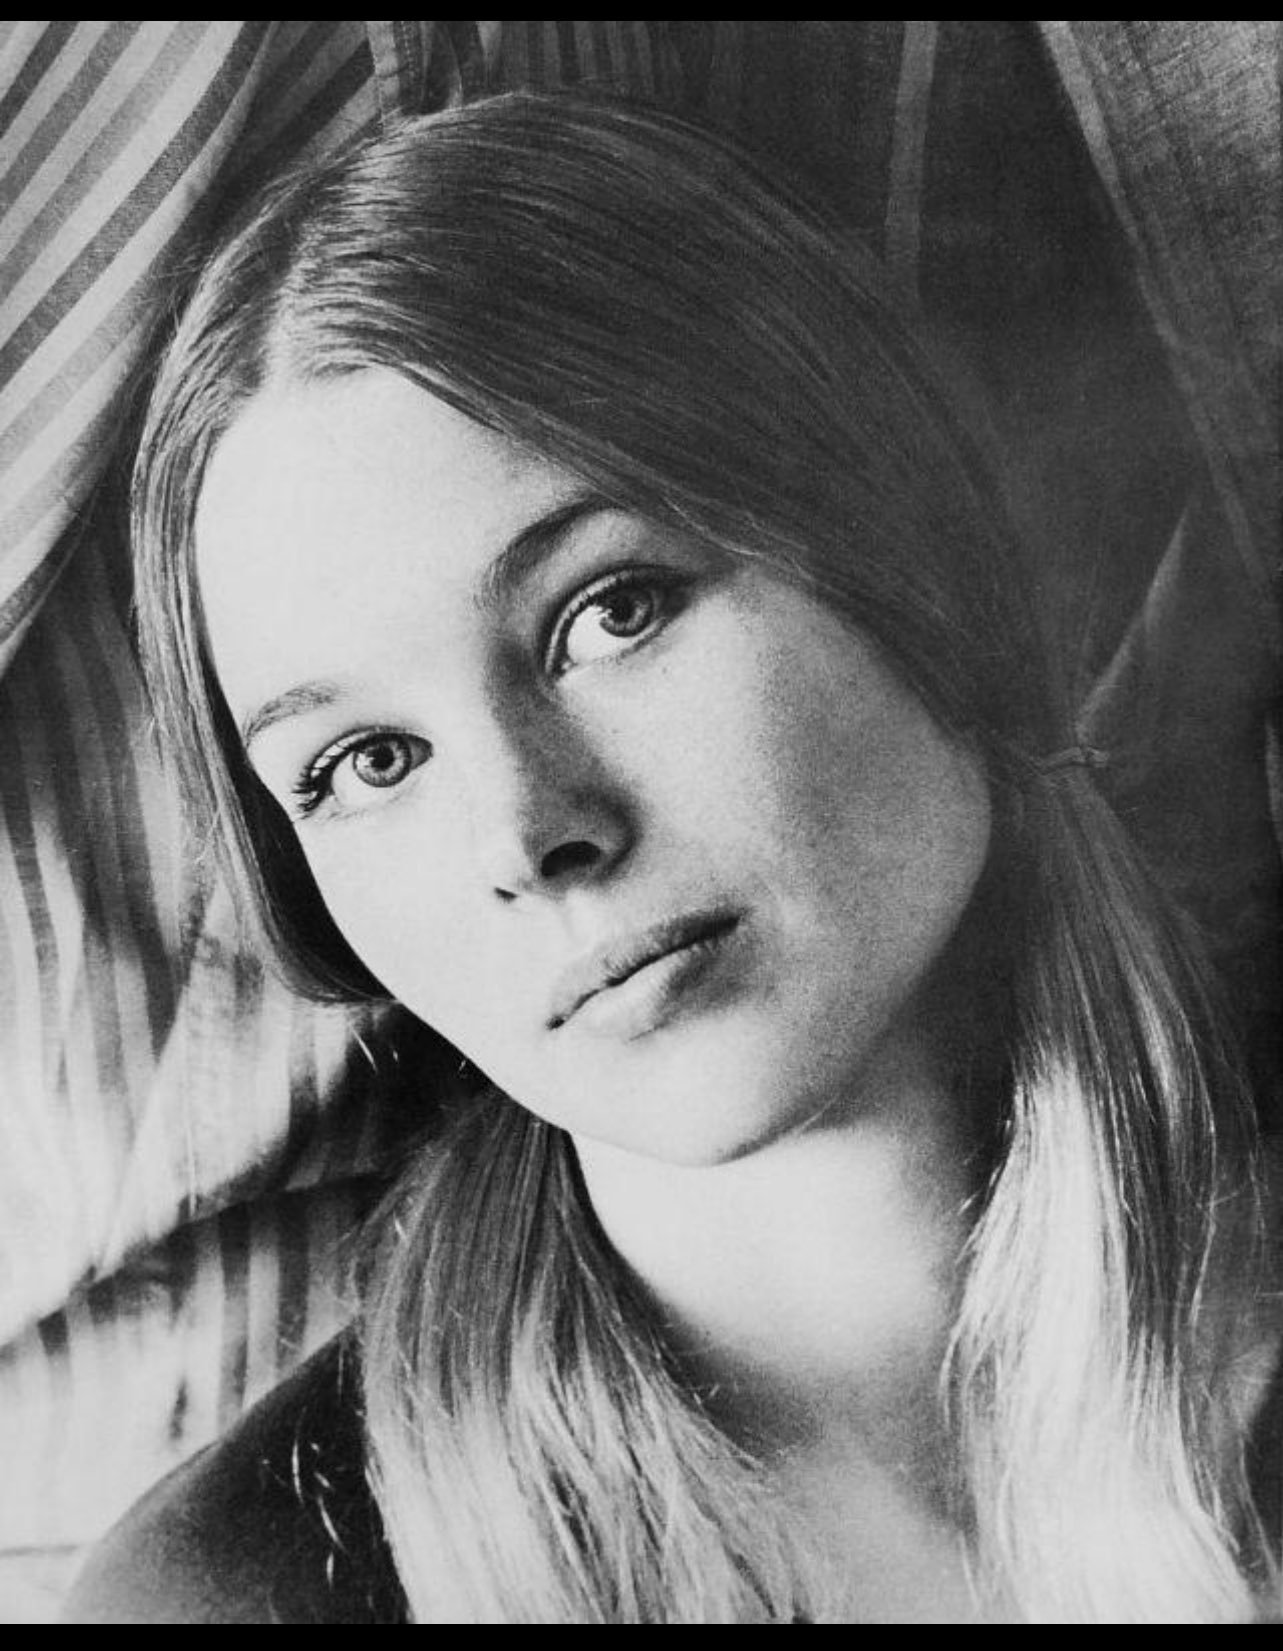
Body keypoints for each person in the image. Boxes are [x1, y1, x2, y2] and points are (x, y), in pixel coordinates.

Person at [65, 90, 1280, 1624]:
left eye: (609, 613)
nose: (529, 836)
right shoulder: (233, 1600)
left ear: (905, 541)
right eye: (366, 764)